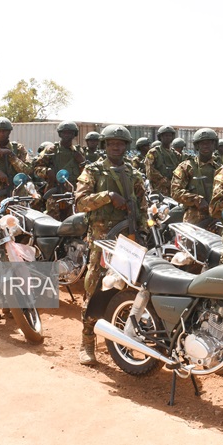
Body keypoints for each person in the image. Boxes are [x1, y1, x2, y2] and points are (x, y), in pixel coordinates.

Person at [75, 125, 147, 365]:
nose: (116, 147)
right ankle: (86, 342)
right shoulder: (93, 171)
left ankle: (122, 338)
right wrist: (107, 196)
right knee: (94, 288)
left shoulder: (134, 174)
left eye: (121, 143)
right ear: (105, 146)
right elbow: (80, 203)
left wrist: (144, 231)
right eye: (112, 143)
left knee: (131, 289)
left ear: (126, 146)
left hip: (129, 240)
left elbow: (143, 208)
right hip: (101, 241)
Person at [33, 121, 87, 220]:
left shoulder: (79, 151)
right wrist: (47, 172)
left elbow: (86, 174)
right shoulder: (51, 150)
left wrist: (82, 161)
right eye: (64, 132)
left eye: (70, 132)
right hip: (54, 192)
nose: (67, 135)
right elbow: (36, 168)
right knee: (52, 222)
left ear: (74, 134)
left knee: (74, 223)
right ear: (60, 134)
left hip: (73, 192)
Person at [171, 128, 219, 228]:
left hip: (216, 219)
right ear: (197, 146)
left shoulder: (220, 169)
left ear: (214, 145)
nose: (206, 146)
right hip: (194, 219)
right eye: (202, 143)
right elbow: (175, 191)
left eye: (209, 143)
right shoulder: (186, 167)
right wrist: (196, 200)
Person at [0, 116, 31, 200]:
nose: (2, 133)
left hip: (17, 193)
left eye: (5, 131)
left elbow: (27, 170)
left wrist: (11, 155)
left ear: (9, 132)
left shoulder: (18, 149)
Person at [144, 125, 181, 195]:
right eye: (165, 136)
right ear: (160, 137)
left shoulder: (176, 154)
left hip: (174, 189)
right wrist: (165, 181)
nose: (168, 138)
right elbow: (150, 171)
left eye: (170, 136)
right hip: (159, 189)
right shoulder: (153, 152)